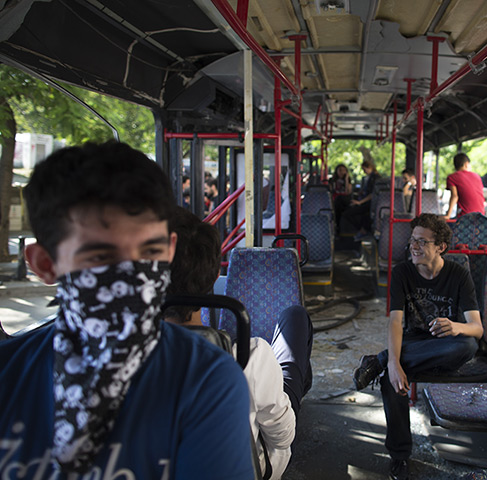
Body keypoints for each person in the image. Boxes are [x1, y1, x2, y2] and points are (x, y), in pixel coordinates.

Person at [0, 142, 254, 478]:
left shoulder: (204, 381)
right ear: (45, 264)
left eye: (149, 251)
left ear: (168, 250)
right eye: (101, 257)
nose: (132, 276)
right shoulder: (8, 375)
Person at [163, 206, 313, 480]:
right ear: (210, 277)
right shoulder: (250, 357)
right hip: (252, 467)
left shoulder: (122, 361)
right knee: (295, 319)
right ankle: (296, 383)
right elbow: (283, 437)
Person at [352, 213, 483, 480]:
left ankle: (378, 359)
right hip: (413, 343)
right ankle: (399, 456)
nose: (414, 246)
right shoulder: (402, 272)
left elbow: (477, 328)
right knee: (392, 379)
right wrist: (394, 364)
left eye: (422, 242)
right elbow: (396, 322)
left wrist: (455, 327)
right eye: (413, 240)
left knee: (467, 346)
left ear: (441, 247)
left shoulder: (458, 274)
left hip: (446, 344)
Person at [341, 147, 381, 239]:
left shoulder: (375, 178)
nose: (364, 172)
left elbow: (372, 194)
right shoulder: (370, 177)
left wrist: (360, 202)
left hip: (370, 202)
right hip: (367, 201)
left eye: (364, 169)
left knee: (347, 213)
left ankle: (363, 230)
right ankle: (363, 230)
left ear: (369, 168)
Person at [443, 153, 486, 220]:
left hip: (465, 217)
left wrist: (448, 215)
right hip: (481, 216)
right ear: (466, 164)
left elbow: (454, 196)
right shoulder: (477, 176)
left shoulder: (452, 177)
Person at [331, 164, 353, 233]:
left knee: (339, 199)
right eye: (340, 170)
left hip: (345, 200)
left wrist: (346, 180)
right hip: (335, 199)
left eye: (343, 170)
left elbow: (347, 192)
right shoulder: (332, 180)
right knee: (337, 202)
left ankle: (337, 226)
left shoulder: (348, 181)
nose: (342, 172)